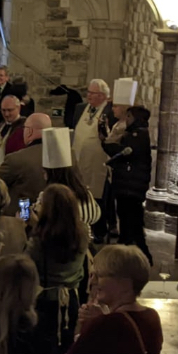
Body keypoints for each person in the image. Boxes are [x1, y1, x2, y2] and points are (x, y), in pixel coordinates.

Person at [25, 183, 88, 354]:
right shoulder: (81, 235)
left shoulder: (39, 240)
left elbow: (29, 270)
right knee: (62, 353)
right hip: (69, 300)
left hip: (45, 301)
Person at [104, 101, 153, 265]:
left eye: (129, 116)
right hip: (127, 186)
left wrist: (105, 143)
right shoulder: (133, 133)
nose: (127, 119)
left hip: (131, 187)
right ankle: (125, 253)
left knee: (133, 221)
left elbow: (123, 153)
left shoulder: (138, 135)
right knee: (125, 219)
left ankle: (143, 256)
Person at [71, 79, 116, 240]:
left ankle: (99, 231)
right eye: (88, 92)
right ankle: (81, 225)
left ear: (102, 96)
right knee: (79, 193)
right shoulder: (81, 109)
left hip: (98, 163)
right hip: (79, 160)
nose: (88, 96)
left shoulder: (109, 112)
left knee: (97, 196)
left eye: (93, 93)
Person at [40, 127, 102, 230]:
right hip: (85, 238)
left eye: (44, 173)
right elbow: (95, 216)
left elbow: (44, 224)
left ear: (50, 174)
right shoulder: (85, 193)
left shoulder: (48, 198)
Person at [0, 112, 52, 216]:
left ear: (29, 131)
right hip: (54, 216)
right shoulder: (68, 156)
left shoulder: (16, 159)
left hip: (22, 217)